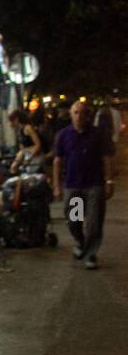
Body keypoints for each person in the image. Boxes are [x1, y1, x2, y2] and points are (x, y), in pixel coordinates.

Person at [53, 99, 115, 269]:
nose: (79, 116)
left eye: (83, 113)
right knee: (75, 221)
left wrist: (109, 180)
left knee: (94, 223)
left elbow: (106, 158)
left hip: (94, 185)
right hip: (74, 186)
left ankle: (91, 254)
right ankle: (80, 242)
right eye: (76, 112)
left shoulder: (97, 134)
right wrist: (57, 185)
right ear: (71, 115)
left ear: (88, 116)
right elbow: (58, 161)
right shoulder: (64, 135)